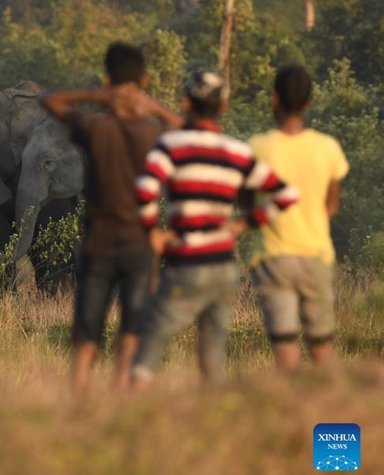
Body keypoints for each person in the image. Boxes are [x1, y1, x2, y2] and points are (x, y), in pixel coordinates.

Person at [131, 71, 300, 389]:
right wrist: (243, 224)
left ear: (185, 103)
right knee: (212, 358)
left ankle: (126, 413)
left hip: (186, 263)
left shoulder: (171, 145)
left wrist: (153, 232)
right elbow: (287, 195)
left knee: (150, 344)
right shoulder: (236, 152)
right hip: (222, 266)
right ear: (223, 107)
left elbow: (144, 189)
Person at [40, 43, 184, 396]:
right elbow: (188, 129)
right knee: (132, 327)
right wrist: (151, 106)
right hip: (140, 242)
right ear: (146, 81)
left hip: (98, 241)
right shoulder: (154, 134)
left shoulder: (94, 126)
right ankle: (122, 398)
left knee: (88, 326)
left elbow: (51, 101)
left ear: (106, 79)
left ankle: (80, 395)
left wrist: (100, 96)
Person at [249, 66, 349, 373]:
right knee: (321, 347)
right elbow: (331, 207)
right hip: (315, 256)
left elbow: (247, 201)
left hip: (274, 259)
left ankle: (292, 413)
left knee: (285, 348)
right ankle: (326, 415)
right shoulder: (328, 148)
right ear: (308, 102)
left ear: (273, 100)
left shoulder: (257, 147)